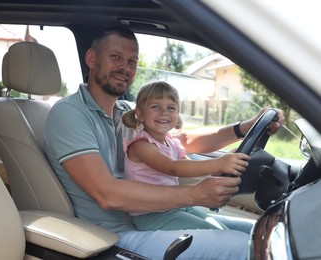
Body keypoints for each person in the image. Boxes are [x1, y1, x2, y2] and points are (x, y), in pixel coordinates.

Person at [44, 26, 284, 259]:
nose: (124, 68)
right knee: (248, 248)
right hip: (115, 235)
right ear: (91, 58)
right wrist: (195, 195)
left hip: (159, 214)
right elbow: (107, 194)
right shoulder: (70, 113)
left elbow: (182, 141)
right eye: (115, 57)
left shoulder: (128, 111)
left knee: (266, 233)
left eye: (132, 62)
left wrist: (243, 127)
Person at [122, 80, 250, 231]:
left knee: (221, 229)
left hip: (174, 206)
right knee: (214, 232)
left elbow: (190, 168)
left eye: (171, 108)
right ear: (140, 114)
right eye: (155, 107)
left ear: (177, 113)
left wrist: (223, 164)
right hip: (151, 214)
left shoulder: (171, 142)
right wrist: (219, 162)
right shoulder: (141, 145)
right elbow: (173, 167)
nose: (164, 112)